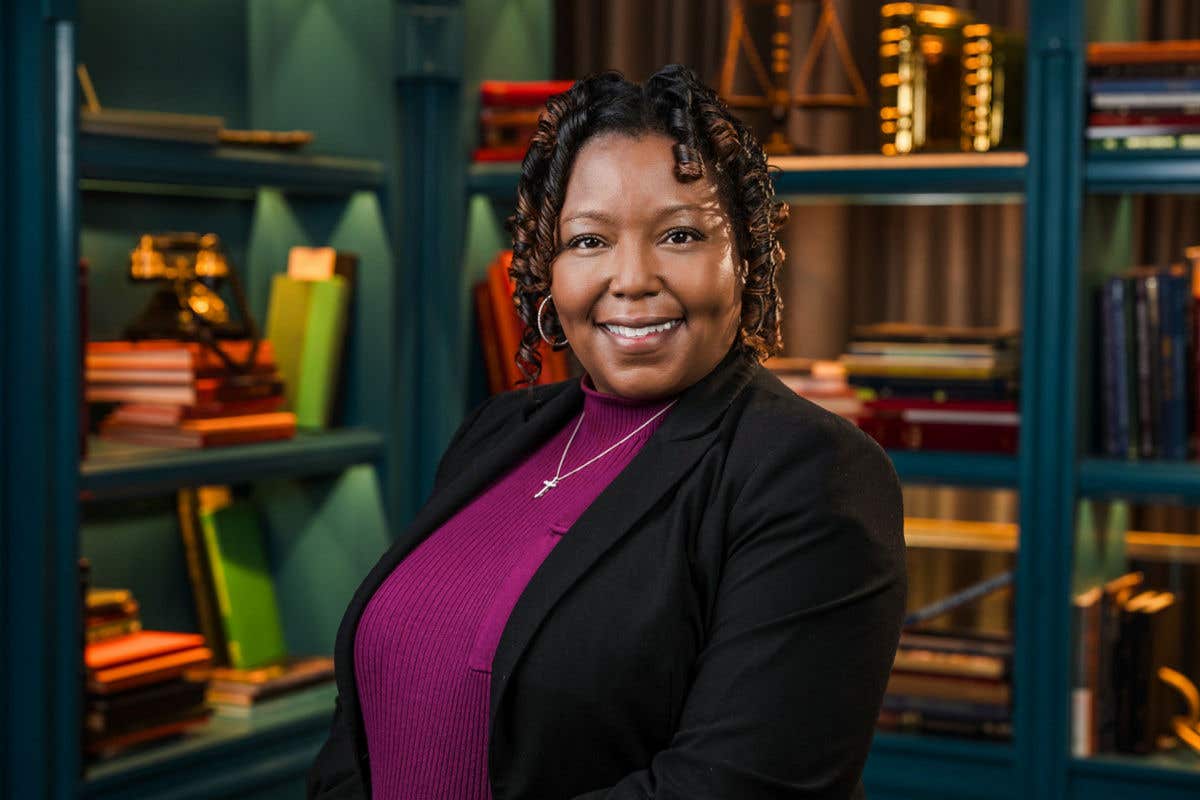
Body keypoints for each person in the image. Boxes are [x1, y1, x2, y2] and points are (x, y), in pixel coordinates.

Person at [307, 65, 906, 800]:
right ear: (546, 271)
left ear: (745, 258)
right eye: (589, 241)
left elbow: (735, 787)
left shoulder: (811, 473)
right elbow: (360, 720)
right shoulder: (496, 434)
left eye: (680, 234)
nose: (631, 278)